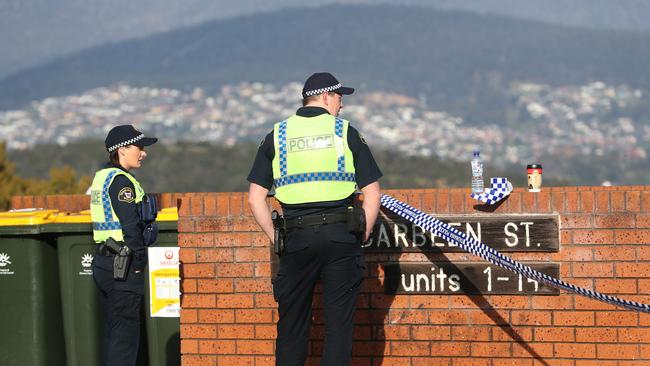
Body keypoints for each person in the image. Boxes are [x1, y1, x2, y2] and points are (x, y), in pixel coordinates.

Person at [247, 72, 382, 366]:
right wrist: (364, 232)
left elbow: (255, 198)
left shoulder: (277, 135)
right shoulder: (345, 132)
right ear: (325, 97)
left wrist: (277, 237)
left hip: (296, 238)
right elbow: (372, 193)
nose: (341, 105)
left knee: (291, 327)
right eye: (339, 98)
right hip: (340, 235)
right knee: (338, 328)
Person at [90, 124, 158, 366]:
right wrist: (139, 263)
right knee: (125, 340)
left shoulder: (102, 177)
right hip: (123, 266)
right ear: (122, 150)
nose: (143, 153)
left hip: (105, 264)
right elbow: (131, 228)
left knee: (114, 335)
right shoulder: (121, 183)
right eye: (139, 148)